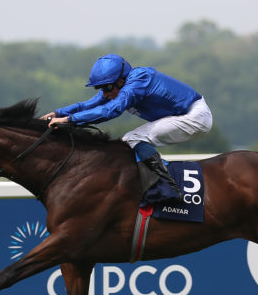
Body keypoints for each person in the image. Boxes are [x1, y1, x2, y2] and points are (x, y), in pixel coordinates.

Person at [40, 54, 212, 204]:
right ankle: (156, 184)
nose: (104, 93)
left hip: (195, 116)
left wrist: (69, 120)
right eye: (101, 88)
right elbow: (88, 105)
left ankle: (168, 187)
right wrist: (58, 113)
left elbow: (110, 111)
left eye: (107, 88)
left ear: (121, 81)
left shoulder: (138, 82)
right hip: (182, 115)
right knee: (129, 140)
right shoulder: (120, 85)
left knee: (133, 138)